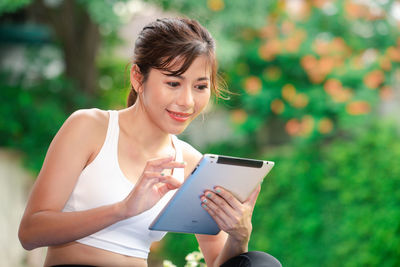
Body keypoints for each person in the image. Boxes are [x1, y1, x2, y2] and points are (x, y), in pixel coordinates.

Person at [18, 17, 281, 267]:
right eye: (173, 83)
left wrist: (239, 235)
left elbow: (218, 263)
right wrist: (122, 209)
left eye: (200, 87)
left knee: (262, 263)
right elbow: (30, 233)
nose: (187, 102)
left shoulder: (191, 163)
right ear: (137, 77)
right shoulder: (90, 127)